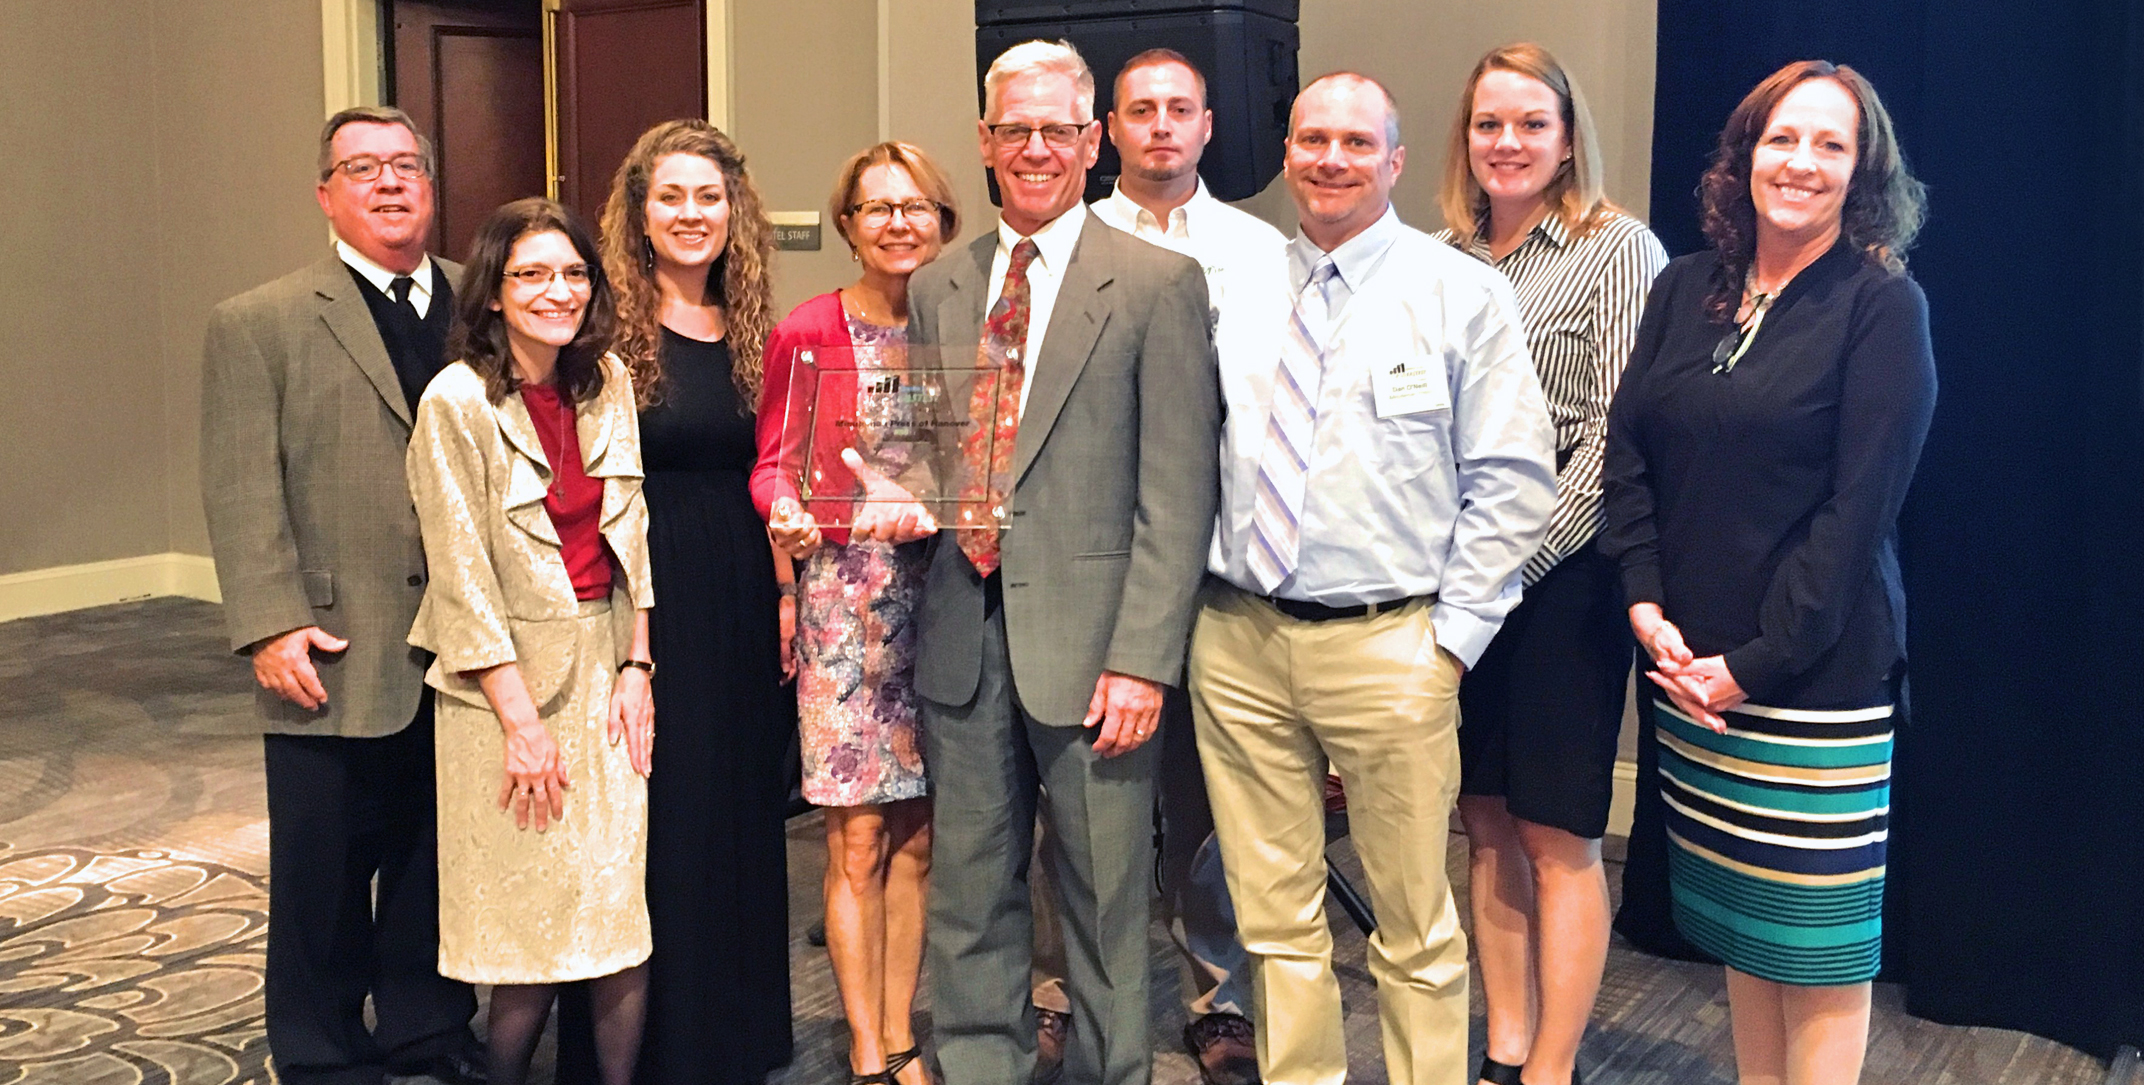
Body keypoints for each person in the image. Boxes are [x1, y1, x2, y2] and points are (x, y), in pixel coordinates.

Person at [1189, 72, 1556, 1085]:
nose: (1330, 158)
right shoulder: (1232, 286)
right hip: (1237, 641)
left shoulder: (1460, 291)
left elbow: (1514, 479)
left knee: (1412, 926)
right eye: (1311, 138)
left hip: (1390, 643)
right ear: (1286, 152)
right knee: (1273, 917)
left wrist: (1448, 642)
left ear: (1394, 160)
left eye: (1356, 141)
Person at [1600, 60, 1934, 1085]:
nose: (1798, 162)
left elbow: (1853, 517)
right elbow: (1627, 454)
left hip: (1808, 684)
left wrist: (1749, 663)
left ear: (1860, 172)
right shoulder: (1680, 284)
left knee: (1818, 957)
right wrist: (1644, 599)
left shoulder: (1880, 306)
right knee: (1746, 934)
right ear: (1743, 154)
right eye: (1780, 139)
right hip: (1688, 674)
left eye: (1828, 145)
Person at [906, 38, 1221, 1085]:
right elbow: (922, 446)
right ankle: (979, 1064)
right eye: (1012, 130)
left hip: (1095, 651)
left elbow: (1175, 496)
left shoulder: (1155, 284)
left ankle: (1108, 1068)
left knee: (1101, 892)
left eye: (1055, 130)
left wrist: (1141, 660)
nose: (1033, 148)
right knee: (968, 885)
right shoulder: (941, 283)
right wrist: (878, 488)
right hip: (961, 626)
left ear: (1090, 142)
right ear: (985, 144)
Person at [199, 104, 482, 1085]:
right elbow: (241, 489)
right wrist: (269, 620)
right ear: (326, 192)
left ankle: (426, 1026)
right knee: (322, 868)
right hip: (328, 636)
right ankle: (320, 1048)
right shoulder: (260, 321)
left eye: (406, 165)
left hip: (456, 638)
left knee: (431, 856)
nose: (390, 183)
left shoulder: (478, 303)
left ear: (431, 186)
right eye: (363, 168)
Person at [1429, 44, 1667, 1085]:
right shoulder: (1442, 259)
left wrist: (1500, 565)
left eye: (1531, 123)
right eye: (1489, 124)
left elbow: (1616, 442)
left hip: (1560, 579)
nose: (1508, 143)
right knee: (1481, 817)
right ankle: (1505, 1043)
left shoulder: (1618, 251)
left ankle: (1552, 1065)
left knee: (1555, 829)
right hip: (1458, 579)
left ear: (1568, 137)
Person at [404, 198, 654, 1085]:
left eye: (574, 273)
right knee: (531, 923)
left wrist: (637, 664)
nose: (558, 291)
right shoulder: (456, 402)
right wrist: (520, 722)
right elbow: (462, 574)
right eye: (532, 274)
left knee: (616, 907)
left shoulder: (606, 379)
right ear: (495, 292)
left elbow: (632, 527)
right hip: (498, 689)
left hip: (605, 667)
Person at [577, 118, 793, 1085]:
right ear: (638, 212)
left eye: (710, 197)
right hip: (649, 597)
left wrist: (787, 589)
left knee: (743, 810)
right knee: (661, 817)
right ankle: (659, 1050)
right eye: (672, 196)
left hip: (745, 593)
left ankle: (735, 1038)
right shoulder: (604, 330)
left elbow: (778, 464)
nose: (692, 215)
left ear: (734, 210)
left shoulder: (753, 325)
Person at [1083, 46, 1283, 1085]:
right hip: (1086, 563)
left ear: (1208, 126)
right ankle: (1058, 987)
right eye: (1139, 111)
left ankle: (1218, 998)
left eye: (1179, 110)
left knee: (1208, 802)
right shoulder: (1062, 246)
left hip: (1216, 570)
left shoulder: (1262, 253)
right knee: (1072, 795)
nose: (1160, 126)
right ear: (1108, 129)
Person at [750, 140, 963, 1085]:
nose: (897, 223)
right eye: (875, 207)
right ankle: (865, 1043)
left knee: (919, 834)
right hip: (847, 610)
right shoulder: (808, 329)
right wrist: (783, 509)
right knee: (859, 837)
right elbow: (770, 462)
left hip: (950, 604)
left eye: (915, 206)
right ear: (847, 225)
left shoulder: (967, 326)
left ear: (945, 222)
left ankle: (904, 1028)